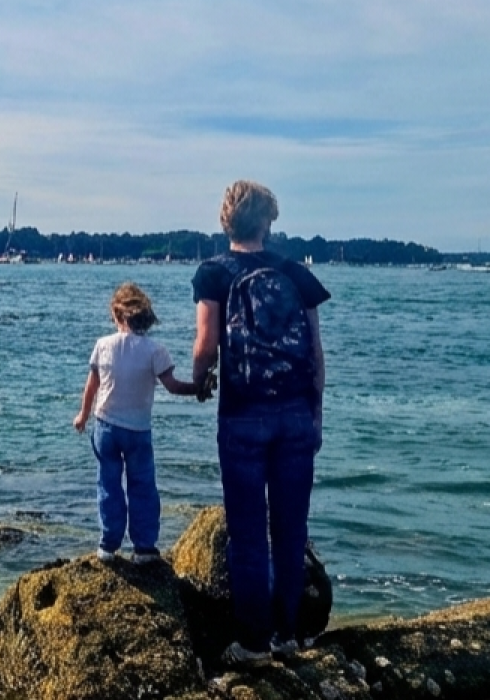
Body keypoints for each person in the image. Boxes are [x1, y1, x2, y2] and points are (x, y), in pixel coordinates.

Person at [189, 180, 331, 664]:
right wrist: (315, 414)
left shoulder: (214, 273)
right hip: (294, 414)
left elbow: (206, 346)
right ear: (268, 222)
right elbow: (314, 351)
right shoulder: (294, 273)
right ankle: (287, 637)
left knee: (247, 532)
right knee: (290, 530)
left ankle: (251, 643)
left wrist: (199, 379)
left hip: (243, 416)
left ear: (225, 220)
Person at [73, 282, 200, 563]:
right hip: (138, 430)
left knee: (108, 484)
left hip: (105, 425)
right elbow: (173, 386)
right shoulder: (155, 350)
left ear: (117, 316)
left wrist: (82, 416)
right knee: (142, 486)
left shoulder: (103, 345)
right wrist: (198, 388)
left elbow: (91, 386)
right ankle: (144, 547)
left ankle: (108, 545)